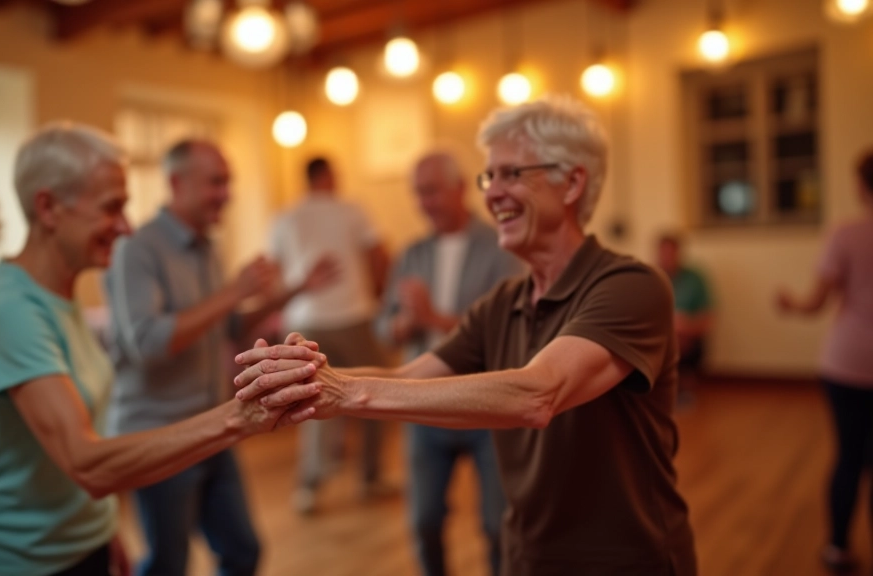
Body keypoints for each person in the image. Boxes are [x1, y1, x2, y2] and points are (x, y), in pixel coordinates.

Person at [236, 95, 697, 575]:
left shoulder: (632, 286)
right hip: (530, 559)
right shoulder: (502, 305)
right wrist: (306, 377)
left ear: (572, 182)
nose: (492, 193)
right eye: (488, 177)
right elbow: (409, 374)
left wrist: (347, 390)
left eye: (512, 174)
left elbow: (537, 393)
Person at [0, 123, 323, 576]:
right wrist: (240, 416)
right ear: (48, 207)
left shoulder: (57, 298)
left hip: (82, 547)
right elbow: (87, 463)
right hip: (14, 564)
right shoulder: (10, 311)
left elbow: (78, 452)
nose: (125, 226)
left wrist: (105, 539)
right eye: (112, 208)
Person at [104, 139, 337, 576]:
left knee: (242, 552)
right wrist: (233, 291)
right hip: (159, 435)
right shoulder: (137, 248)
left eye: (228, 182)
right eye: (216, 182)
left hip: (214, 425)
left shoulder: (207, 245)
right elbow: (148, 343)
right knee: (167, 565)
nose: (227, 194)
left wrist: (296, 288)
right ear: (177, 183)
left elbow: (227, 329)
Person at [375, 151, 523, 576]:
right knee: (424, 522)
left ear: (460, 188)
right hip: (423, 406)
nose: (424, 202)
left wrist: (433, 317)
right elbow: (384, 325)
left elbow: (508, 328)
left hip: (484, 404)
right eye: (417, 193)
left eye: (432, 191)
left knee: (498, 525)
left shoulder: (500, 245)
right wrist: (404, 324)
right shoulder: (411, 253)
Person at [269, 156, 393, 514]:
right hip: (354, 314)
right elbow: (379, 255)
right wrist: (381, 294)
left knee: (308, 403)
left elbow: (275, 273)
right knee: (376, 395)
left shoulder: (285, 217)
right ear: (326, 176)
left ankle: (310, 486)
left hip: (305, 320)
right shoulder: (352, 210)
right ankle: (370, 477)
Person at [776, 150, 873, 574]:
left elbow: (816, 303)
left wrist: (791, 305)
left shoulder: (847, 234)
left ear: (861, 185)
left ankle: (837, 547)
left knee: (848, 457)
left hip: (846, 363)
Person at [656, 233, 712, 404]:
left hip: (686, 336)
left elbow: (708, 319)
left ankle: (681, 389)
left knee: (680, 341)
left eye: (670, 252)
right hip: (657, 335)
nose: (667, 257)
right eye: (663, 252)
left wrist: (684, 327)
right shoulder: (650, 277)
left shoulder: (695, 279)